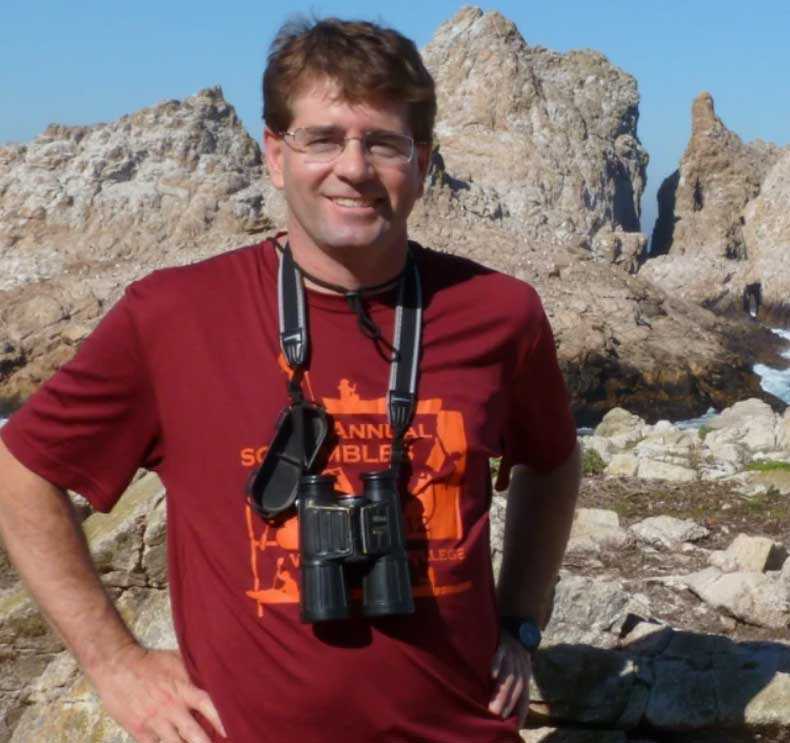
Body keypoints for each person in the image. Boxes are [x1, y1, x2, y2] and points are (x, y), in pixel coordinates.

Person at [0, 16, 580, 743]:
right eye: (323, 138)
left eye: (383, 142)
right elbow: (21, 468)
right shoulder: (174, 315)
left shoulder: (500, 313)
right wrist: (116, 664)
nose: (354, 167)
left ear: (422, 164)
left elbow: (552, 459)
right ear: (275, 154)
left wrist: (519, 619)